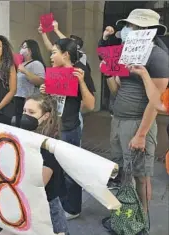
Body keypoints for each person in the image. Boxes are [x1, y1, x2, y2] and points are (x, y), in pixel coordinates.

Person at [99, 9, 169, 216]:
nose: (128, 31)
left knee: (141, 175)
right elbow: (117, 89)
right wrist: (109, 75)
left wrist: (141, 134)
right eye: (128, 26)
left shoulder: (158, 56)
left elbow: (155, 101)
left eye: (133, 27)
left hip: (138, 122)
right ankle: (127, 215)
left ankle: (142, 218)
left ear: (148, 30)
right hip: (118, 119)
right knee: (123, 170)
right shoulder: (126, 52)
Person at [40, 38, 96, 220]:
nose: (51, 56)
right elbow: (50, 103)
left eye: (54, 52)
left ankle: (73, 208)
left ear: (66, 55)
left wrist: (80, 82)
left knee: (70, 170)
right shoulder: (54, 73)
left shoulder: (80, 71)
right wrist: (45, 91)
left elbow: (90, 104)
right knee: (55, 168)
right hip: (53, 128)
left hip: (70, 128)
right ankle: (60, 202)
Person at [17, 93, 69, 235]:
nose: (25, 115)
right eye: (24, 111)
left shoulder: (49, 146)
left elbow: (38, 183)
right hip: (28, 203)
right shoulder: (26, 136)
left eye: (31, 112)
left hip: (46, 207)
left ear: (45, 116)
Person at [14, 39, 46, 127]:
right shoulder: (22, 64)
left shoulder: (36, 63)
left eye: (24, 47)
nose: (21, 49)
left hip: (28, 99)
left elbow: (41, 81)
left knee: (26, 124)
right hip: (18, 97)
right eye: (21, 47)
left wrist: (25, 71)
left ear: (31, 50)